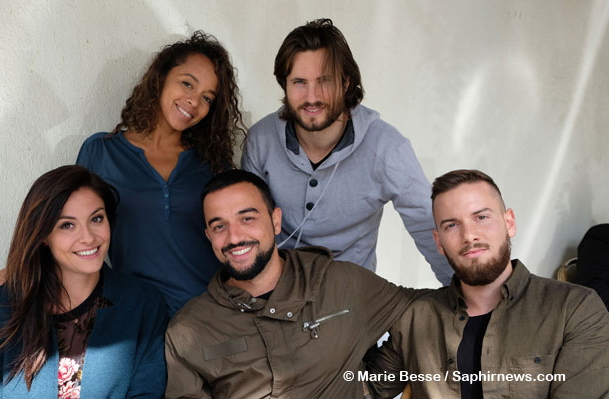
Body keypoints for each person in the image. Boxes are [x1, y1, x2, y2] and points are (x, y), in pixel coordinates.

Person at [0, 31, 245, 315]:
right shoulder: (102, 152)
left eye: (207, 98)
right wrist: (19, 269)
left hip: (211, 315)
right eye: (187, 84)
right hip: (136, 316)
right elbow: (63, 223)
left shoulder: (211, 164)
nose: (194, 102)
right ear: (161, 77)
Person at [164, 169, 426, 398]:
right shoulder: (189, 328)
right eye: (220, 226)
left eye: (247, 218)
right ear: (209, 236)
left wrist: (372, 387)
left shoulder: (342, 283)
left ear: (275, 220)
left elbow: (425, 309)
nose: (234, 237)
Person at [242, 18, 452, 285]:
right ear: (284, 85)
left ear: (346, 83)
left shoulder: (387, 148)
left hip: (350, 299)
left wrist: (466, 303)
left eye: (324, 81)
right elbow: (247, 229)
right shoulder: (261, 139)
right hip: (276, 293)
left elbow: (429, 228)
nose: (312, 96)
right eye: (299, 82)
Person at [365, 169, 609, 398]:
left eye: (481, 217)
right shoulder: (416, 316)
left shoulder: (576, 309)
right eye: (452, 225)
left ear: (509, 223)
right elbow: (362, 388)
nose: (469, 235)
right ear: (439, 242)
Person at [0, 165, 167, 398]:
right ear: (43, 235)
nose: (88, 237)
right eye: (67, 225)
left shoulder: (142, 304)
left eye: (96, 219)